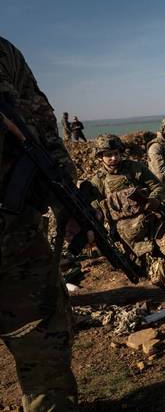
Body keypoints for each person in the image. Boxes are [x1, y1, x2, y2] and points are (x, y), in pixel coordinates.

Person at [0, 36, 78, 411]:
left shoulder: (4, 52)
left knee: (44, 337)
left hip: (14, 232)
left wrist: (68, 198)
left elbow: (43, 126)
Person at [87, 134, 165, 288]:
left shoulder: (135, 168)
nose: (113, 158)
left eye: (116, 154)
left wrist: (154, 200)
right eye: (108, 155)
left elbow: (157, 186)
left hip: (151, 222)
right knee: (138, 269)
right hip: (127, 235)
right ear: (100, 157)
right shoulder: (98, 181)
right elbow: (93, 207)